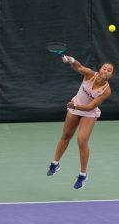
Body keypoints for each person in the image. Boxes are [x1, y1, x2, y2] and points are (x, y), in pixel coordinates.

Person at [47, 56, 114, 189]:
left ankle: (83, 175)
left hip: (88, 112)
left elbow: (90, 107)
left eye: (109, 70)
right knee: (66, 135)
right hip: (76, 105)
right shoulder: (90, 75)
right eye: (104, 67)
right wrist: (71, 60)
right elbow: (79, 67)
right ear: (100, 69)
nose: (106, 70)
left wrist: (74, 107)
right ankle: (55, 163)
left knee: (82, 140)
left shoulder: (106, 91)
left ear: (110, 75)